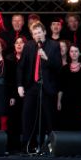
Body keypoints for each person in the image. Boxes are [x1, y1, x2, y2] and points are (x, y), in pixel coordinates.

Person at [17, 21, 61, 153]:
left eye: (39, 32)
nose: (37, 35)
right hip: (31, 86)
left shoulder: (54, 45)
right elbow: (21, 67)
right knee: (27, 116)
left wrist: (46, 58)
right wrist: (20, 85)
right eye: (34, 33)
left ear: (44, 32)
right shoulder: (29, 46)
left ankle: (52, 146)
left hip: (47, 87)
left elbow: (58, 66)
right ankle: (27, 146)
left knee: (48, 118)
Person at [57, 44, 81, 131]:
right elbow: (60, 87)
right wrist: (59, 101)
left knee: (80, 125)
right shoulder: (64, 69)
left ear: (80, 53)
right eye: (72, 51)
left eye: (76, 51)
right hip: (67, 102)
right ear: (69, 53)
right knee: (67, 125)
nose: (74, 53)